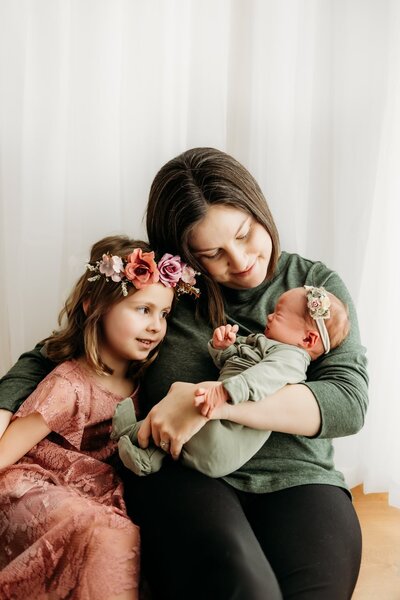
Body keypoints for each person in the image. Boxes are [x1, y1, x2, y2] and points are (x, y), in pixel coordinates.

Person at [0, 148, 368, 600]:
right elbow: (56, 352)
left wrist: (206, 403)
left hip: (299, 478)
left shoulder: (313, 288)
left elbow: (347, 402)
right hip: (184, 475)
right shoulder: (166, 290)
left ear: (258, 208)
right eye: (213, 252)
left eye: (246, 233)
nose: (241, 261)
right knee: (245, 588)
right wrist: (4, 410)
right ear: (185, 253)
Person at [0, 234, 199, 600]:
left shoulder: (146, 385)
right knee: (111, 534)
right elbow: (7, 452)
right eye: (143, 310)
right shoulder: (69, 383)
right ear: (95, 307)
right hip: (33, 485)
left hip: (93, 490)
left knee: (139, 536)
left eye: (164, 314)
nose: (156, 326)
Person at [112, 285, 350, 479]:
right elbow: (234, 365)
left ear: (308, 339)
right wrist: (222, 349)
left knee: (190, 403)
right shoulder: (266, 345)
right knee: (176, 431)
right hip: (215, 440)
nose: (268, 316)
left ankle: (129, 432)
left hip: (227, 437)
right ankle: (145, 459)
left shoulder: (291, 358)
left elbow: (260, 379)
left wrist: (224, 392)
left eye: (277, 314)